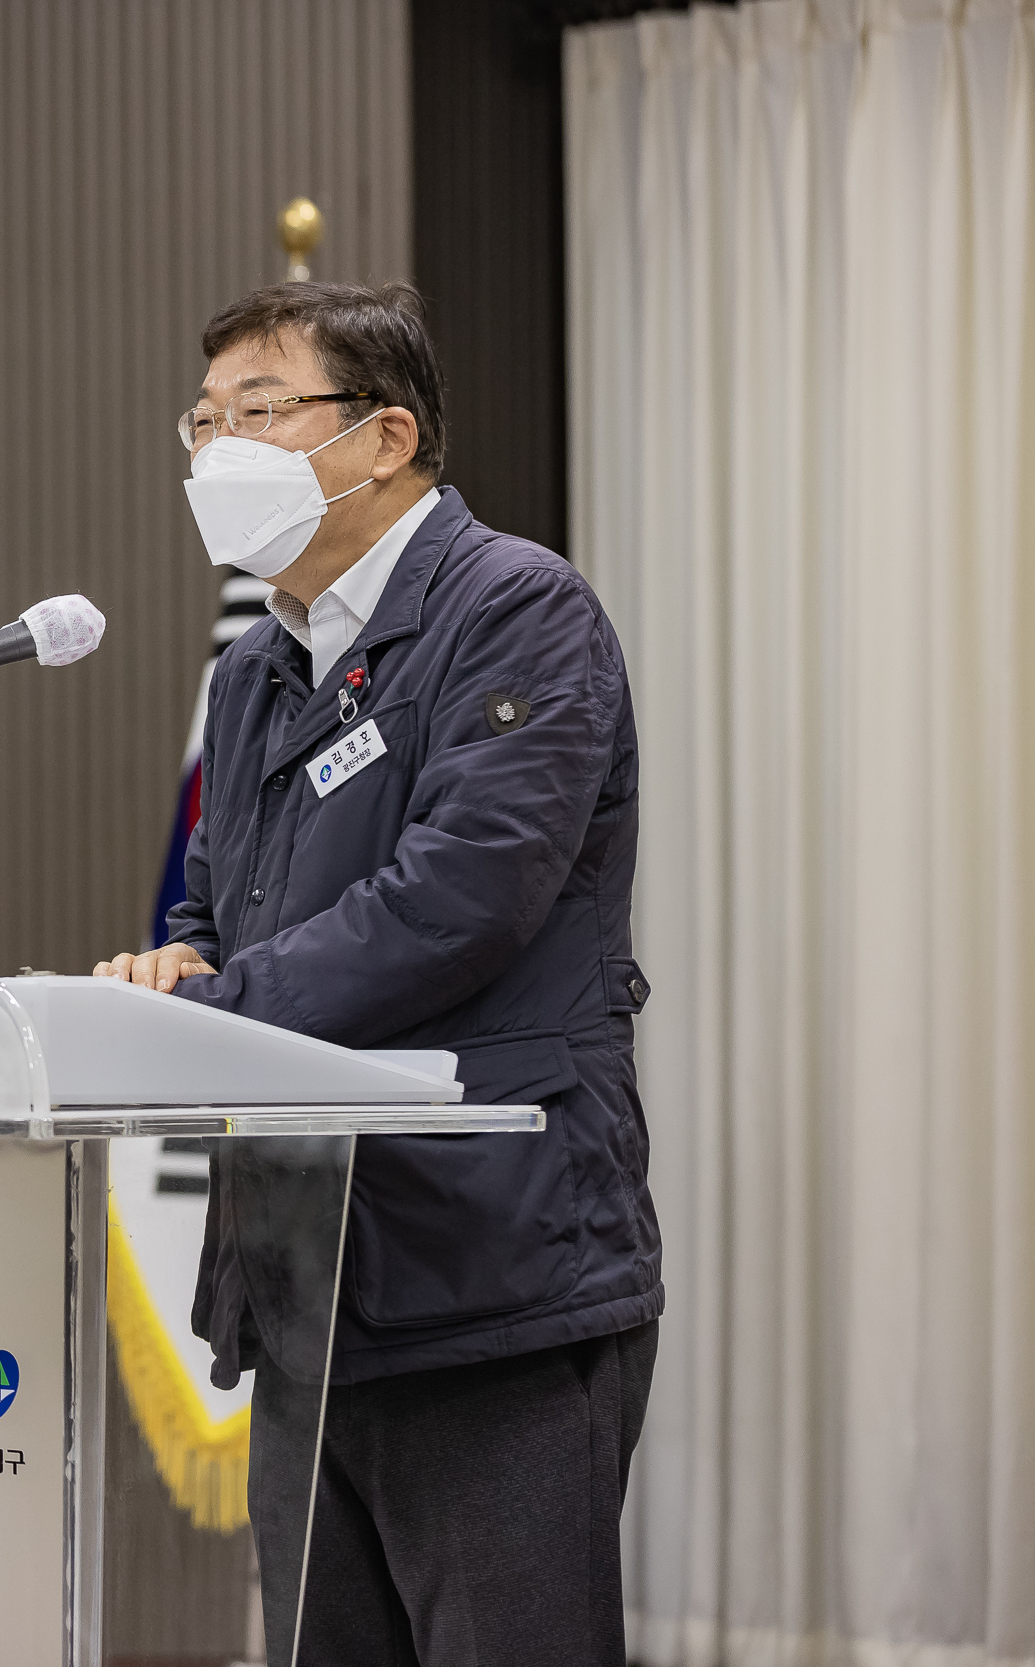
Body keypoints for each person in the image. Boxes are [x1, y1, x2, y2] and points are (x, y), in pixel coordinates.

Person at [93, 282, 661, 1665]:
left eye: (259, 413)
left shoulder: (518, 610)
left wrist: (212, 1013)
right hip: (304, 1278)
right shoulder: (255, 671)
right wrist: (178, 968)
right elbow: (216, 903)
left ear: (385, 436)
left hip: (490, 1275)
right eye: (203, 418)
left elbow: (462, 897)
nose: (214, 449)